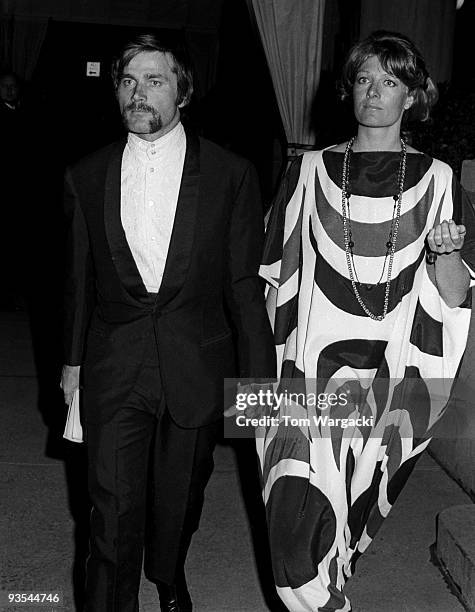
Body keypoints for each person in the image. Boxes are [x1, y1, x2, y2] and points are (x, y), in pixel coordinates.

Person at [257, 31, 475, 611]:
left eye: (389, 82)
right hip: (307, 375)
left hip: (389, 375)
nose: (373, 93)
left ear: (411, 98)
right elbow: (274, 282)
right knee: (290, 509)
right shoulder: (306, 171)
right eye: (363, 80)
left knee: (344, 521)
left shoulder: (440, 178)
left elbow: (453, 297)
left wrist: (447, 251)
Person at [60, 33, 276, 612]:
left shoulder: (232, 174)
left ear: (183, 91)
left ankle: (168, 571)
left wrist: (257, 391)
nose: (139, 93)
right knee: (109, 507)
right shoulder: (86, 174)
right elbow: (78, 282)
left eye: (154, 80)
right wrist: (72, 364)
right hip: (113, 362)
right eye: (128, 81)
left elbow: (243, 289)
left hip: (197, 362)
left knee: (178, 498)